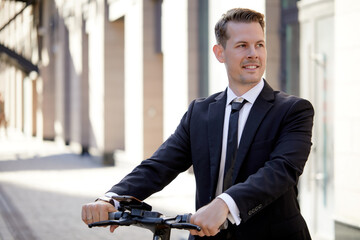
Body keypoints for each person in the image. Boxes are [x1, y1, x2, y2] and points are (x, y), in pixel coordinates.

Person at [82, 8, 314, 240]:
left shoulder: (293, 110)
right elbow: (160, 165)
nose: (254, 53)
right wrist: (111, 198)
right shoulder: (200, 112)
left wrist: (225, 204)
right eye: (242, 45)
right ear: (219, 53)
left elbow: (281, 170)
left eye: (259, 44)